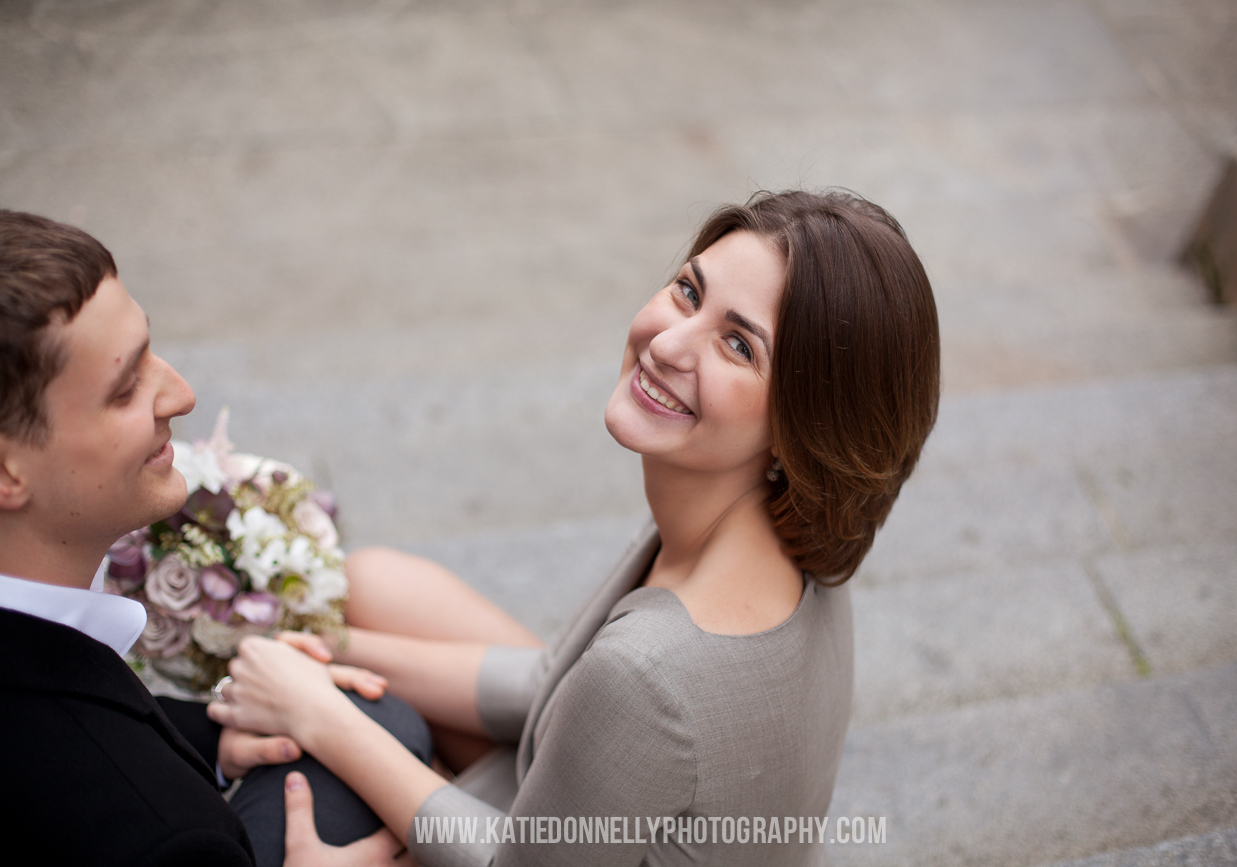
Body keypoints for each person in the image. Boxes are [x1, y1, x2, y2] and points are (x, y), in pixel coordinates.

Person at [210, 189, 942, 865]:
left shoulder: (650, 667)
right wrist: (328, 646)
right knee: (370, 586)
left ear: (802, 428)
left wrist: (319, 716)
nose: (667, 343)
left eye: (738, 345)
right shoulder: (758, 524)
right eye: (688, 291)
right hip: (605, 805)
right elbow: (552, 680)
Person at [0, 210, 414, 866]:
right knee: (387, 722)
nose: (182, 394)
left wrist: (205, 738)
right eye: (127, 386)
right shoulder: (165, 835)